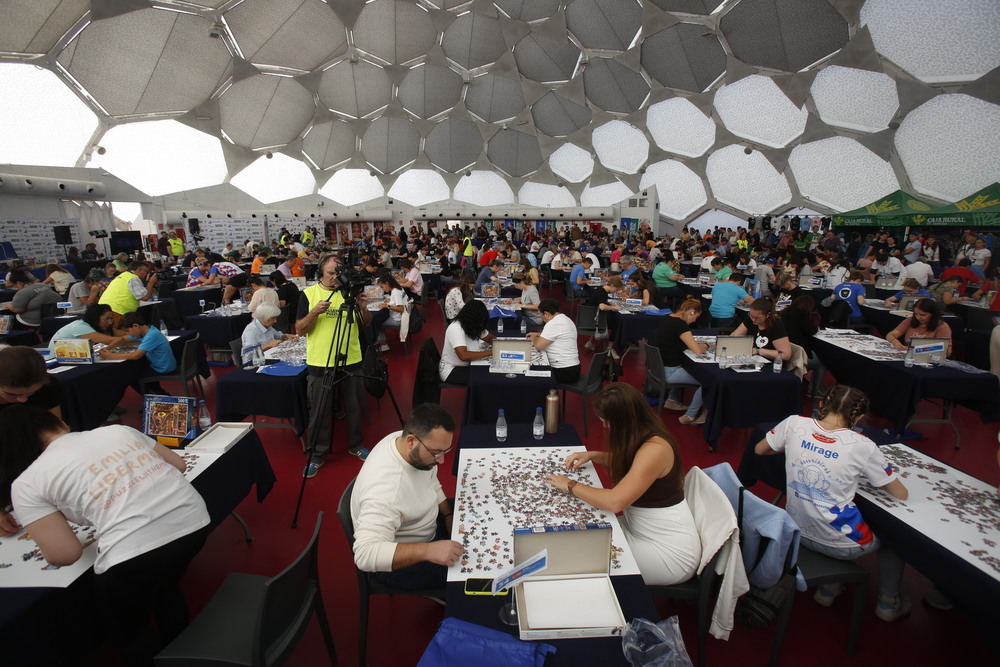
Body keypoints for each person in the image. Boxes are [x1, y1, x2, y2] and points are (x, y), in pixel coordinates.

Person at [0, 406, 210, 664]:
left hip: (134, 555)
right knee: (166, 589)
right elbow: (177, 465)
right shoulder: (118, 431)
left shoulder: (27, 483)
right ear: (61, 425)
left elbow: (65, 554)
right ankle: (184, 652)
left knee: (130, 633)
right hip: (193, 523)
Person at [754, 385, 911, 621]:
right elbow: (901, 494)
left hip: (795, 532)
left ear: (821, 406)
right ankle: (889, 602)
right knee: (896, 539)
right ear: (858, 418)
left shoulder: (794, 423)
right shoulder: (863, 445)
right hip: (841, 545)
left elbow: (760, 450)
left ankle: (830, 588)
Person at [545, 383, 700, 586]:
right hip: (639, 528)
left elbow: (615, 502)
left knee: (577, 556)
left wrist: (570, 485)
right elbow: (634, 463)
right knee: (575, 532)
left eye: (606, 422)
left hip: (668, 553)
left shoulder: (655, 449)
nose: (605, 427)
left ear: (622, 420)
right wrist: (594, 455)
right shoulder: (644, 431)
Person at [351, 402, 462, 590]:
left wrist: (448, 515)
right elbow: (365, 555)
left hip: (428, 524)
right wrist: (430, 550)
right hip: (401, 562)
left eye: (445, 451)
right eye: (436, 453)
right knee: (472, 574)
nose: (441, 460)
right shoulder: (386, 490)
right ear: (411, 441)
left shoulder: (402, 441)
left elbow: (431, 482)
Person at [296, 254, 372, 475]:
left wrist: (363, 307)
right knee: (320, 409)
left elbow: (366, 324)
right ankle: (317, 454)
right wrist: (315, 312)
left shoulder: (349, 292)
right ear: (321, 271)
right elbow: (300, 329)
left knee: (354, 406)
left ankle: (356, 445)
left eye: (338, 274)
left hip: (351, 357)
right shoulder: (309, 294)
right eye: (330, 273)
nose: (334, 278)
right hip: (321, 359)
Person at [655, 297, 707, 425]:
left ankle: (672, 400)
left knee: (687, 367)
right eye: (695, 317)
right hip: (670, 372)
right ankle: (690, 416)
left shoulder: (667, 318)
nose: (694, 321)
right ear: (692, 312)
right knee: (709, 382)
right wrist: (707, 345)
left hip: (659, 367)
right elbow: (698, 351)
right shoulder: (680, 325)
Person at [98, 312, 177, 391]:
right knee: (136, 371)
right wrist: (108, 348)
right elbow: (123, 339)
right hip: (160, 365)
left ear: (135, 326)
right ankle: (157, 393)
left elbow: (135, 356)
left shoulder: (151, 336)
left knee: (130, 377)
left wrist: (109, 355)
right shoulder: (147, 330)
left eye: (127, 331)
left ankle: (152, 396)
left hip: (163, 368)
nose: (128, 334)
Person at [439, 300, 493, 384]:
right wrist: (490, 353)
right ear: (471, 319)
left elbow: (489, 338)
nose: (481, 324)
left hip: (468, 364)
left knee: (490, 371)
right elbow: (463, 355)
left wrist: (501, 345)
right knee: (487, 377)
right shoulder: (455, 328)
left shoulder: (472, 325)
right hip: (452, 370)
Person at [527, 299, 580, 383]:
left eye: (541, 314)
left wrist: (533, 339)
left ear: (546, 314)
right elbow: (558, 336)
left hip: (563, 371)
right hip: (573, 368)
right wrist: (538, 335)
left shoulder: (553, 324)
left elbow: (538, 346)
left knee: (530, 373)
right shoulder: (565, 319)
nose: (541, 317)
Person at [780, 295, 823, 395]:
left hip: (785, 349)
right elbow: (812, 330)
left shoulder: (784, 312)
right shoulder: (802, 315)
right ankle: (813, 390)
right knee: (822, 363)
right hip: (798, 353)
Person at [98, 261, 159, 328]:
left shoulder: (124, 275)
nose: (147, 274)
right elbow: (145, 297)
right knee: (119, 333)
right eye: (147, 272)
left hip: (106, 308)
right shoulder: (133, 278)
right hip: (116, 310)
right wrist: (151, 283)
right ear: (139, 269)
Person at [732, 297, 792, 364]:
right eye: (751, 315)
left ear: (768, 315)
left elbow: (785, 355)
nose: (753, 320)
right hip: (753, 361)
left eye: (757, 318)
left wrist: (759, 351)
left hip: (771, 365)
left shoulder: (776, 325)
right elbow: (734, 336)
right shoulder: (751, 319)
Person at [886, 298, 952, 355]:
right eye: (916, 314)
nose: (918, 318)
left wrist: (921, 350)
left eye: (923, 315)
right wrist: (894, 341)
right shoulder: (910, 320)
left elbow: (947, 352)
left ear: (933, 314)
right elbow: (890, 334)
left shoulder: (942, 326)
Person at [51, 304, 129, 347]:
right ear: (96, 318)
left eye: (111, 319)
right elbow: (110, 341)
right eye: (107, 319)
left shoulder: (99, 326)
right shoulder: (80, 327)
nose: (110, 323)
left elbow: (121, 334)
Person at [369, 270, 407, 351]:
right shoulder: (398, 288)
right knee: (379, 318)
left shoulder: (395, 292)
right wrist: (390, 300)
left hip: (397, 319)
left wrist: (387, 305)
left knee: (375, 321)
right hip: (402, 316)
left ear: (387, 283)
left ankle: (382, 344)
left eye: (382, 287)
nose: (382, 289)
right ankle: (383, 343)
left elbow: (401, 308)